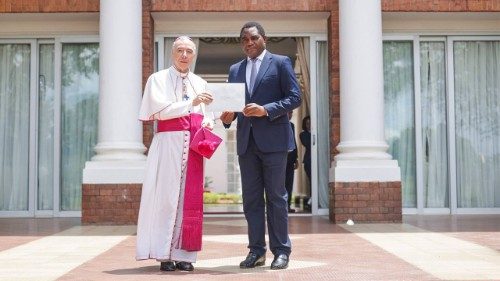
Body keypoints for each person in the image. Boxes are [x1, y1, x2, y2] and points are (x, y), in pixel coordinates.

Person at [220, 21, 301, 270]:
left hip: (275, 142)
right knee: (251, 200)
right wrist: (227, 117)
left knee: (276, 197)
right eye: (244, 39)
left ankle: (281, 251)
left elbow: (295, 97)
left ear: (264, 38)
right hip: (246, 143)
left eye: (253, 38)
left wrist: (266, 110)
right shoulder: (235, 69)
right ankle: (256, 251)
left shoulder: (280, 62)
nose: (248, 43)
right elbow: (233, 105)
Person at [136, 36, 214, 272]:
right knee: (165, 198)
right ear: (172, 53)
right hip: (167, 144)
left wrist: (209, 122)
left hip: (193, 147)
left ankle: (185, 256)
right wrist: (191, 104)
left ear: (193, 55)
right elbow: (159, 110)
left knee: (188, 202)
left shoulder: (200, 82)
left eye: (188, 51)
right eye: (179, 50)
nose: (184, 55)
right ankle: (164, 255)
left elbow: (206, 112)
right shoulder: (157, 79)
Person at [285, 111, 298, 213]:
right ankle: (282, 206)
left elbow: (293, 142)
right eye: (289, 113)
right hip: (281, 158)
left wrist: (296, 159)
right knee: (280, 184)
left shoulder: (292, 125)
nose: (291, 115)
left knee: (289, 184)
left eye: (291, 113)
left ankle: (288, 205)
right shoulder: (278, 125)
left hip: (291, 160)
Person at [299, 116, 311, 210]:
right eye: (307, 123)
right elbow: (308, 144)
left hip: (318, 160)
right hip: (308, 161)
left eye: (311, 123)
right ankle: (312, 201)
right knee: (312, 181)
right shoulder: (303, 134)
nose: (309, 125)